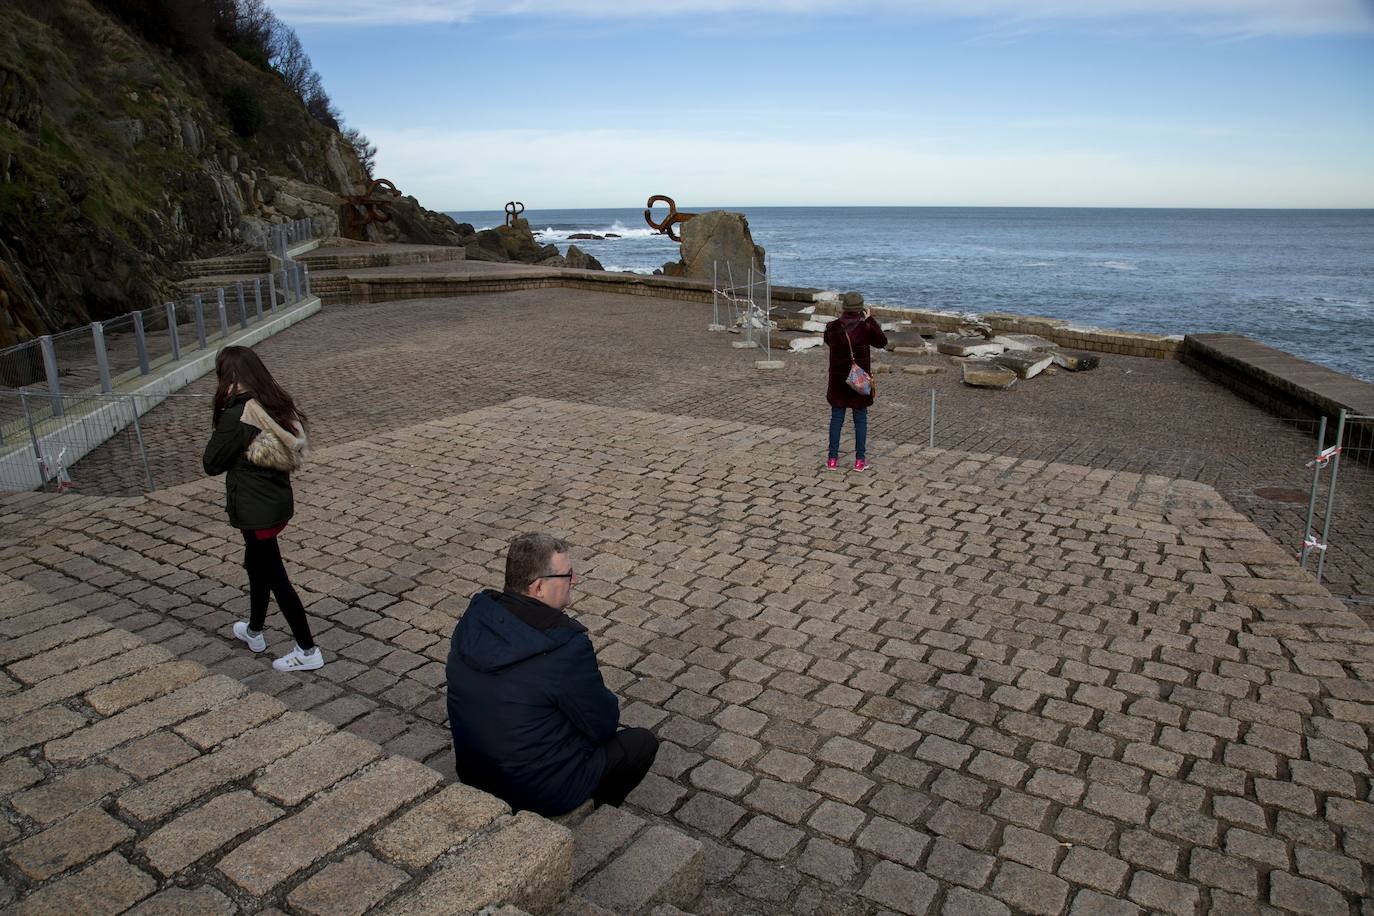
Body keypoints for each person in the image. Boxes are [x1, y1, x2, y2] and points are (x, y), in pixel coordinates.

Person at [446, 533, 658, 816]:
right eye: (567, 575)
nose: (575, 580)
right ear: (538, 588)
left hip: (473, 772)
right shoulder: (565, 647)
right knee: (641, 744)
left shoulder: (474, 621)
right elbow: (603, 723)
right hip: (535, 793)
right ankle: (591, 812)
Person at [202, 346, 323, 672]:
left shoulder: (239, 416)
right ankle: (255, 631)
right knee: (256, 566)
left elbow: (211, 463)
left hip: (257, 510)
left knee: (275, 577)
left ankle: (308, 650)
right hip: (272, 503)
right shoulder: (273, 404)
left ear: (230, 377)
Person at [823, 293, 888, 471]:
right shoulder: (865, 327)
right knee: (860, 419)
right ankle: (860, 460)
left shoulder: (832, 327)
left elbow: (828, 341)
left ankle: (832, 460)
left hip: (838, 380)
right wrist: (871, 319)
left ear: (844, 307)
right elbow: (882, 342)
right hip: (858, 380)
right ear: (861, 308)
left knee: (836, 418)